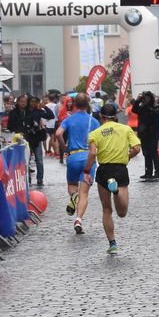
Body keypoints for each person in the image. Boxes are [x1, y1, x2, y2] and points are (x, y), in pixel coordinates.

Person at [85, 102, 142, 254]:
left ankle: (112, 243)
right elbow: (137, 148)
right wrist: (127, 157)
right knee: (122, 212)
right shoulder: (126, 129)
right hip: (120, 169)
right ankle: (116, 192)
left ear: (100, 116)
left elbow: (92, 154)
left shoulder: (95, 133)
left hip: (103, 170)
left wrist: (86, 169)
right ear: (115, 116)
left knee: (106, 209)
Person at [60, 94, 97, 232]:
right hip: (88, 157)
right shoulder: (93, 121)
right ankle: (78, 220)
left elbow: (58, 133)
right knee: (84, 194)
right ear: (87, 104)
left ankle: (73, 196)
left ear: (74, 104)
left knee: (71, 185)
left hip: (73, 156)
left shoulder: (69, 119)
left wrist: (64, 148)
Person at [133, 91, 159, 180]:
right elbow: (134, 110)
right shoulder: (142, 107)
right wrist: (138, 101)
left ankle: (158, 171)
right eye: (145, 98)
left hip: (152, 133)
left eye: (148, 98)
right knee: (146, 154)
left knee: (154, 154)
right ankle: (148, 172)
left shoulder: (156, 107)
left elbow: (154, 113)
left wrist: (145, 104)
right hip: (143, 133)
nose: (146, 100)